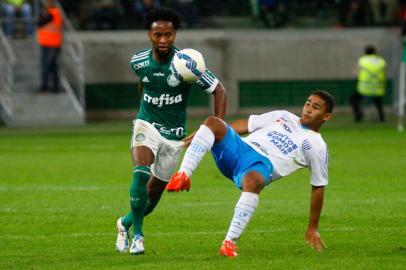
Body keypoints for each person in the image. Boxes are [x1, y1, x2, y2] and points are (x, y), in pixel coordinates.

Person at [114, 7, 227, 255]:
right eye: (158, 35)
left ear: (175, 35)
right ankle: (139, 238)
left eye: (168, 35)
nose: (163, 40)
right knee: (141, 173)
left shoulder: (186, 64)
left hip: (174, 134)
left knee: (152, 199)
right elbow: (144, 84)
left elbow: (219, 90)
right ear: (149, 35)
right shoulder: (138, 61)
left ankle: (124, 224)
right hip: (146, 124)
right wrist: (142, 114)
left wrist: (216, 126)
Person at [167, 91, 334, 257]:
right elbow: (245, 124)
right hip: (238, 149)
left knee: (254, 180)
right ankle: (183, 176)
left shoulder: (317, 145)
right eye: (308, 103)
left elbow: (318, 185)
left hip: (259, 166)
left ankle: (229, 243)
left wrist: (313, 227)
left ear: (326, 116)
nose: (308, 109)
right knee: (213, 122)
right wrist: (207, 133)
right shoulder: (283, 116)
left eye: (316, 107)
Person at [350, 45, 387, 122]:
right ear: (375, 52)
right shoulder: (381, 61)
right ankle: (382, 118)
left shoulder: (362, 60)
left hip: (364, 88)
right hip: (378, 88)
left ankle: (358, 115)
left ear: (365, 52)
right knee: (378, 103)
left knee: (353, 99)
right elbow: (385, 73)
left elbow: (356, 73)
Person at [37, 0, 63, 93]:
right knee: (53, 66)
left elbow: (40, 23)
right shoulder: (47, 13)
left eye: (48, 2)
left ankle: (44, 86)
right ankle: (55, 87)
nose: (46, 4)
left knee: (46, 65)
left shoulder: (54, 13)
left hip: (53, 44)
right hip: (45, 43)